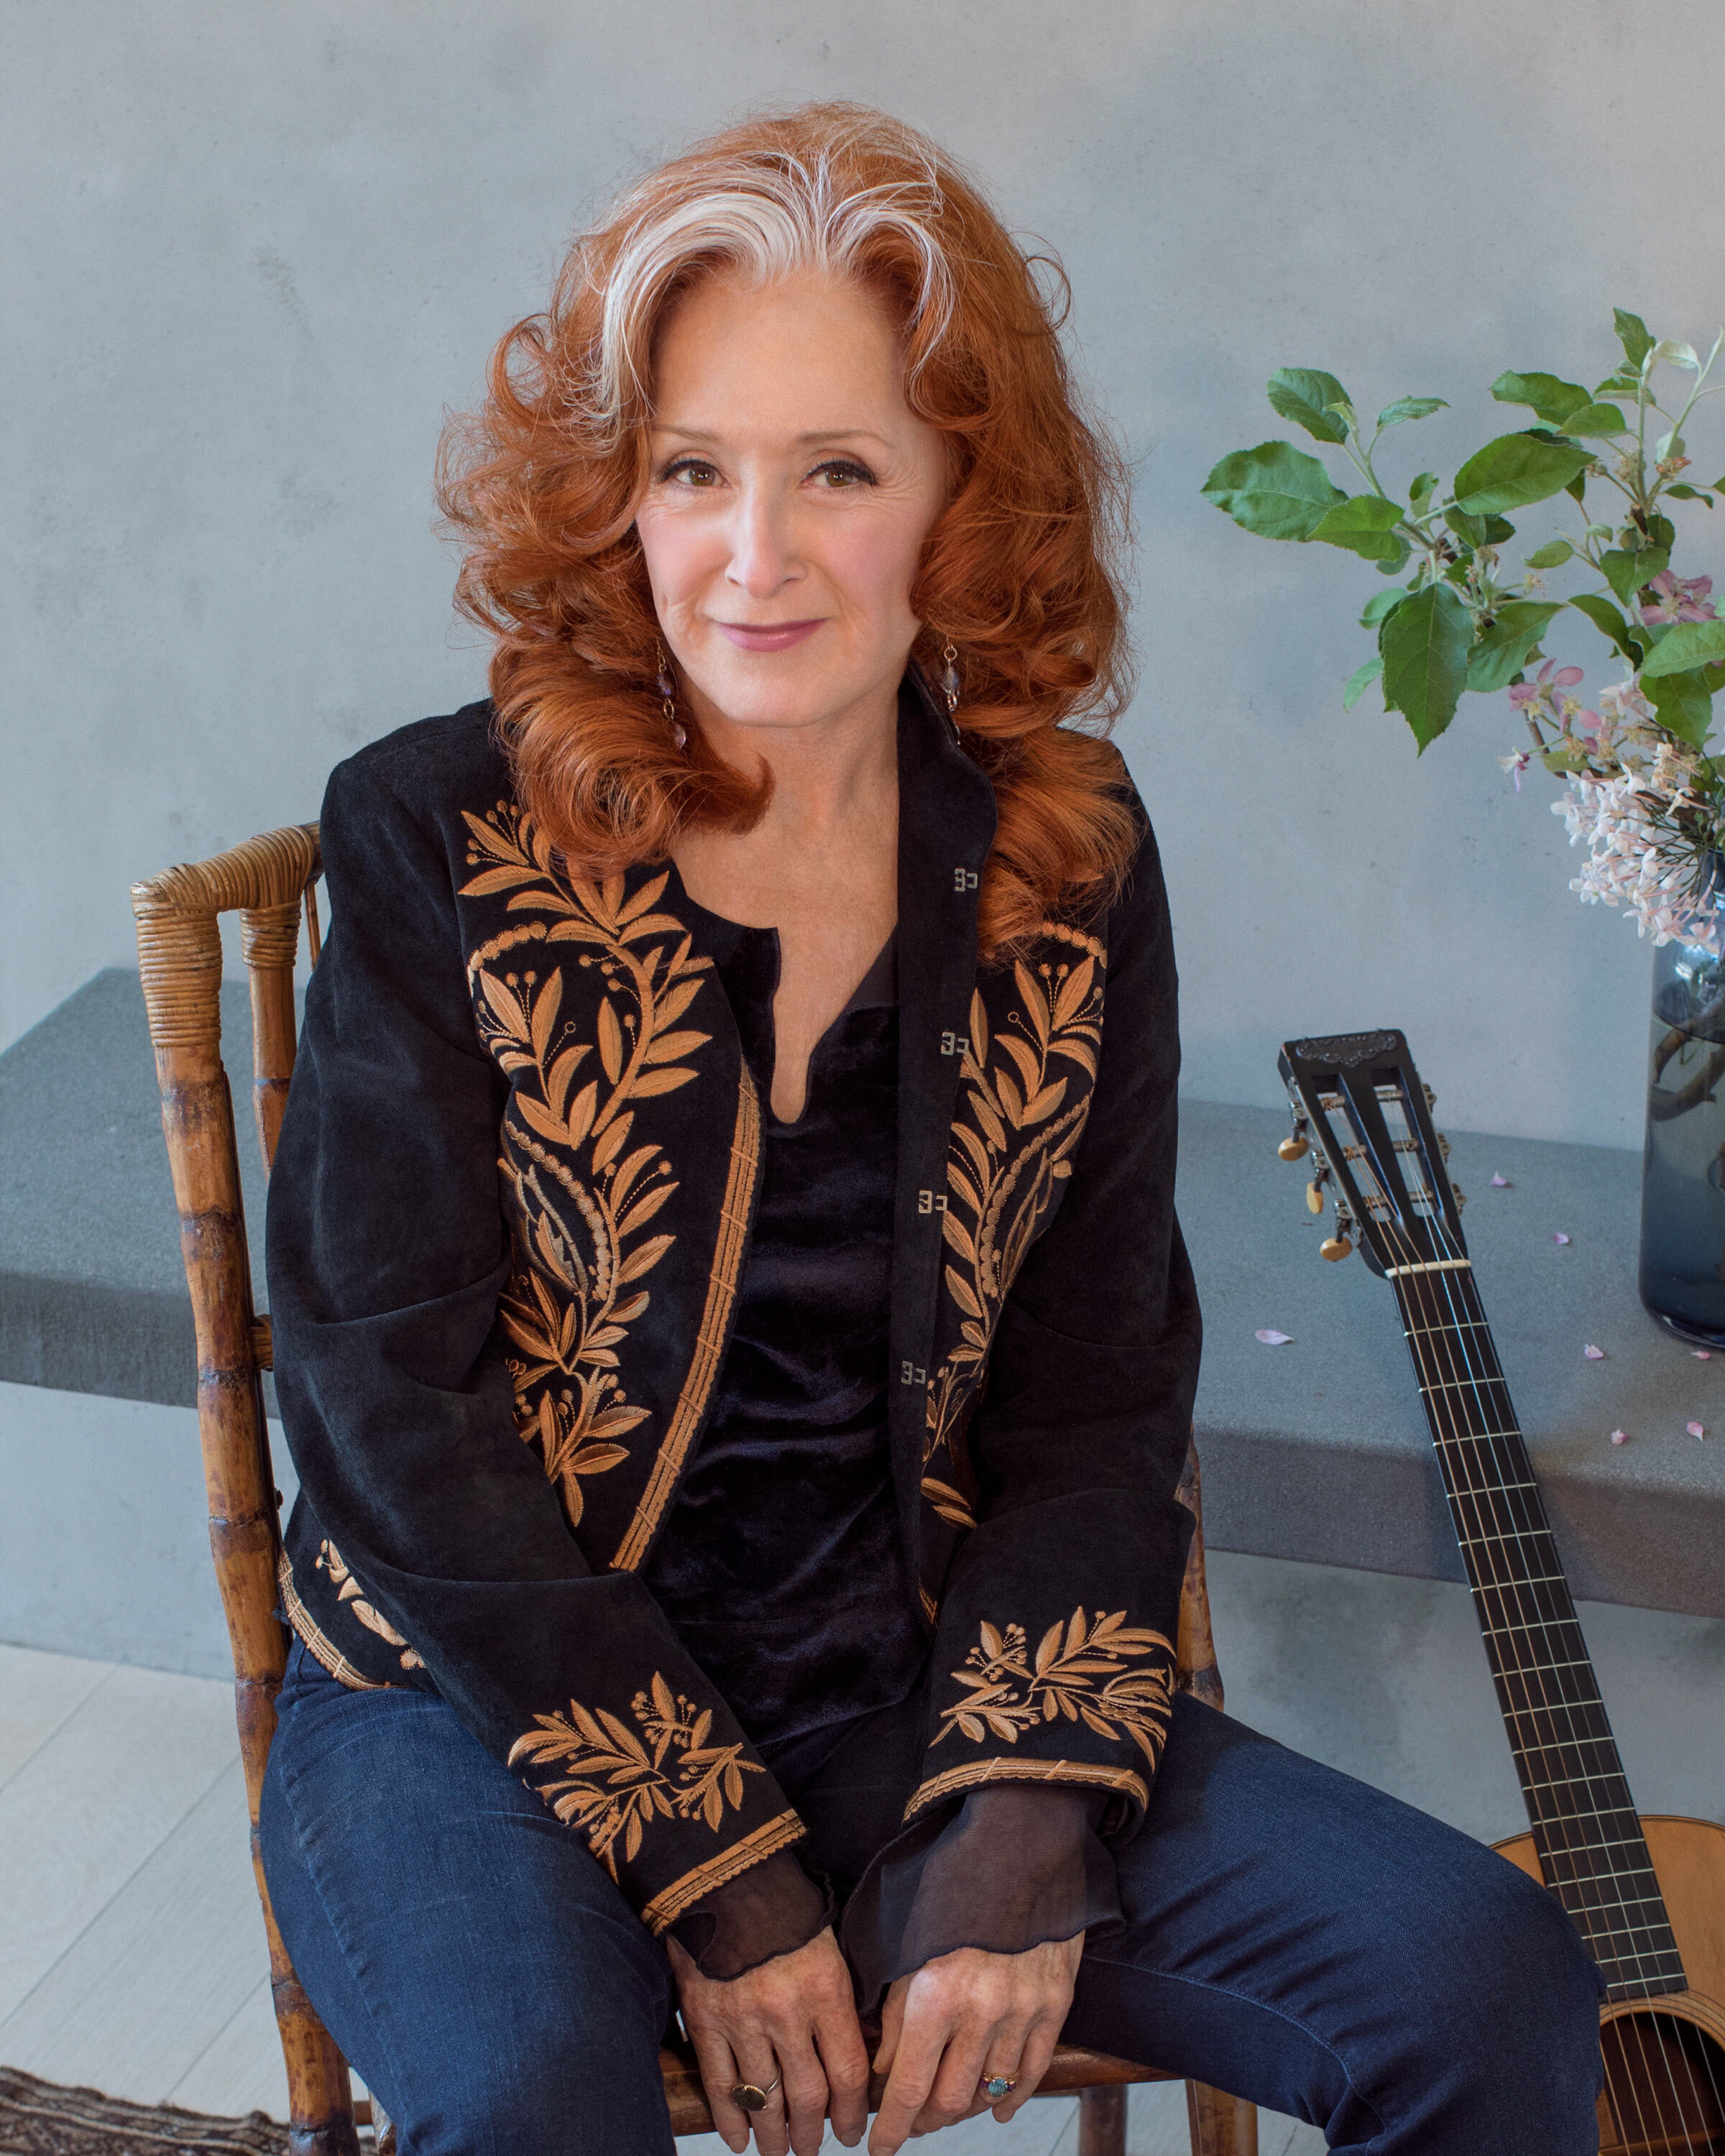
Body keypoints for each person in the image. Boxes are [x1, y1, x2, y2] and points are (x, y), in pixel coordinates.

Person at [257, 102, 1604, 2156]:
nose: (754, 555)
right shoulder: (436, 831)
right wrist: (719, 1866)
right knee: (531, 2101)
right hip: (475, 1703)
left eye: (840, 472)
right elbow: (387, 1415)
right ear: (617, 493)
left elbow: (1097, 1384)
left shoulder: (1071, 855)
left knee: (1481, 1981)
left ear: (964, 501)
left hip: (921, 1683)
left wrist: (1022, 1815)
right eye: (691, 469)